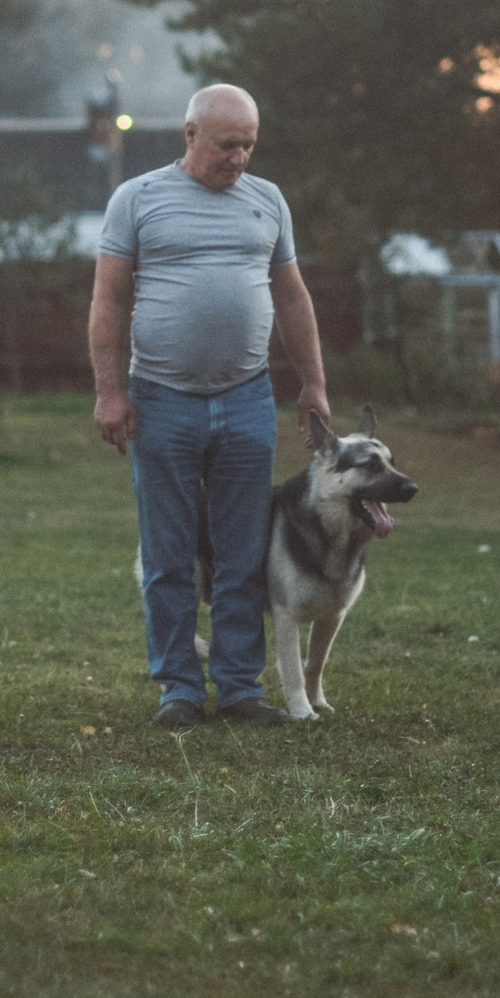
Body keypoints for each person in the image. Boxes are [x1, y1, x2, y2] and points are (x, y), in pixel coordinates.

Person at [88, 83, 331, 729]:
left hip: (247, 397)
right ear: (191, 135)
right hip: (162, 399)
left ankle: (240, 686)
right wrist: (110, 391)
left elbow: (294, 298)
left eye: (250, 145)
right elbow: (108, 300)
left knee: (242, 551)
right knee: (169, 552)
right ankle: (179, 689)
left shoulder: (268, 201)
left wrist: (313, 384)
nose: (240, 158)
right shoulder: (136, 199)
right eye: (229, 144)